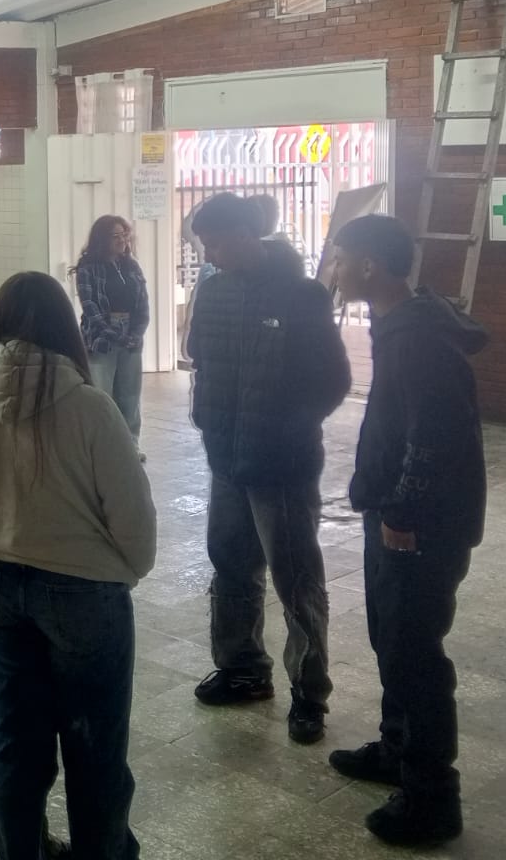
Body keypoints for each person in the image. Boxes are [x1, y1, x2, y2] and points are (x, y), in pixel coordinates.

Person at [0, 272, 156, 860]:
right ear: (63, 324)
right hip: (84, 595)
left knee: (13, 746)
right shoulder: (91, 407)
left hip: (0, 586)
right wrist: (124, 570)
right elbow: (134, 521)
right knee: (95, 749)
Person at [329, 214, 487, 847]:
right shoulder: (400, 325)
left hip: (420, 527)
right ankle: (398, 749)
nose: (334, 269)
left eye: (340, 258)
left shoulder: (418, 339)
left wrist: (402, 514)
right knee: (391, 641)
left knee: (415, 655)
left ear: (369, 265)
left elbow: (436, 439)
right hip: (398, 515)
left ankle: (431, 798)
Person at [186, 193, 351, 744]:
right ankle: (243, 669)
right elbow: (200, 358)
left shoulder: (301, 295)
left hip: (282, 466)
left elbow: (333, 381)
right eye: (205, 245)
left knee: (296, 580)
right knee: (231, 566)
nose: (210, 254)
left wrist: (287, 428)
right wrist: (208, 420)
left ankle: (309, 693)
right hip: (226, 460)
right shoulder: (213, 292)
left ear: (246, 234)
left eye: (216, 243)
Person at [75, 216, 149, 446]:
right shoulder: (87, 268)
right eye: (115, 236)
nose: (122, 240)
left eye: (124, 235)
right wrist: (115, 334)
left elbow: (143, 303)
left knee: (130, 395)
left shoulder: (131, 266)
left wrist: (136, 333)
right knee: (102, 395)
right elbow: (90, 307)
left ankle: (131, 445)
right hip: (101, 339)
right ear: (101, 239)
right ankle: (104, 447)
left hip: (131, 338)